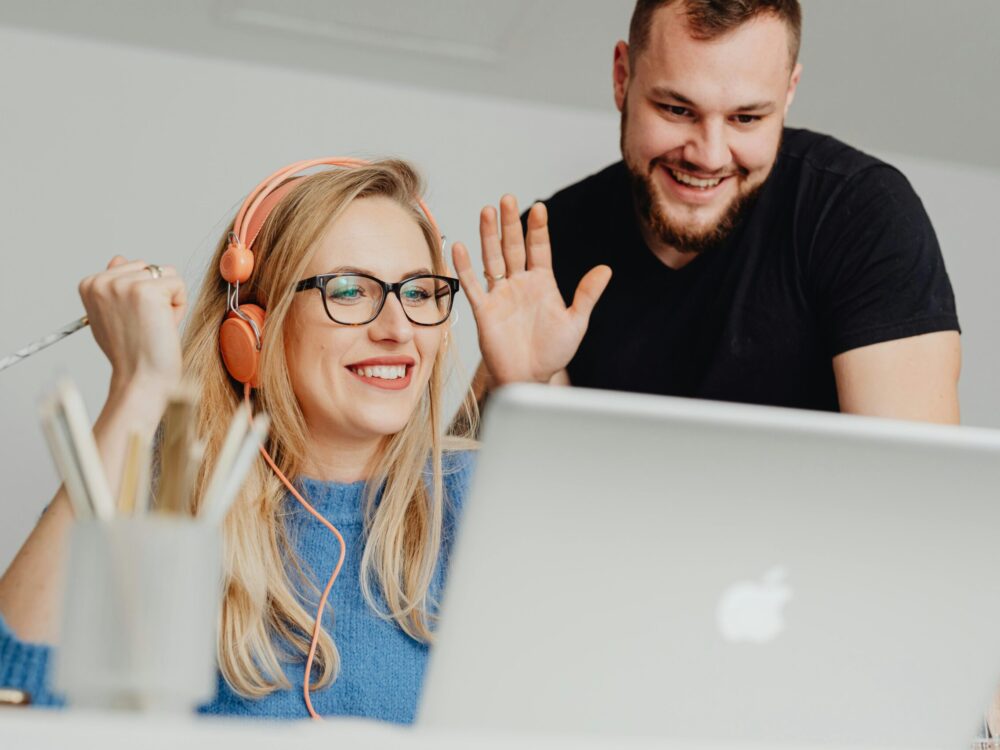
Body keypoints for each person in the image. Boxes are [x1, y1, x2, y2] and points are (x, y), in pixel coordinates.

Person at [0, 159, 605, 721]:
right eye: (349, 291)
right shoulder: (167, 498)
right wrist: (139, 388)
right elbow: (19, 700)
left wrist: (525, 391)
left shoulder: (472, 499)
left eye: (419, 292)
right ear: (253, 328)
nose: (397, 329)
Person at [464, 0, 961, 424]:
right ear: (622, 77)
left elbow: (915, 509)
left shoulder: (862, 215)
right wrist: (515, 393)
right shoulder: (549, 245)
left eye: (747, 118)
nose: (709, 154)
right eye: (678, 110)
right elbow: (474, 515)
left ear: (788, 94)